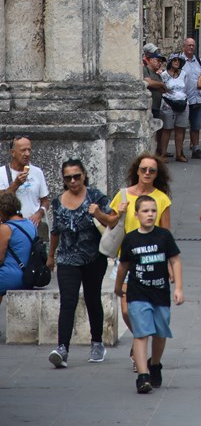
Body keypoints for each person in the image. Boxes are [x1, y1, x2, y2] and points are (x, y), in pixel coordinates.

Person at [47, 158, 117, 368]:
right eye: (68, 178)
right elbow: (55, 231)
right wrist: (51, 256)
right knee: (68, 301)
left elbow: (113, 221)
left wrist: (98, 213)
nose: (73, 181)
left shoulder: (96, 196)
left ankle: (97, 343)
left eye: (76, 176)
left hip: (93, 257)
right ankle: (62, 348)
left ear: (84, 175)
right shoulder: (58, 202)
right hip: (67, 258)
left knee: (92, 298)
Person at [115, 195, 184, 394]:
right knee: (141, 334)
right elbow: (123, 266)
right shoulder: (130, 239)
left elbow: (175, 260)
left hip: (160, 292)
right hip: (138, 293)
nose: (150, 214)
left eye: (153, 211)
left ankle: (155, 364)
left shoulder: (164, 236)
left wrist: (179, 288)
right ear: (136, 214)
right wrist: (118, 287)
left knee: (160, 333)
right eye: (145, 211)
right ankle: (143, 376)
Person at [108, 153, 172, 359]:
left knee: (150, 309)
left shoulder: (162, 199)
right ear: (137, 171)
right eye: (143, 169)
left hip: (152, 261)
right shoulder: (123, 195)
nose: (147, 173)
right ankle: (140, 338)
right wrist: (118, 213)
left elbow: (166, 234)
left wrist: (169, 263)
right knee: (127, 311)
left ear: (156, 174)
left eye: (152, 170)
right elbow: (110, 222)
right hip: (127, 259)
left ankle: (140, 349)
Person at [0, 135, 49, 231]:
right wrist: (16, 184)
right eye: (23, 150)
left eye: (29, 150)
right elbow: (1, 200)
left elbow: (45, 201)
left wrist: (39, 213)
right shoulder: (2, 173)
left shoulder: (37, 172)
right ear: (12, 152)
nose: (27, 154)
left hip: (34, 227)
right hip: (11, 228)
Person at [0, 190, 37, 299]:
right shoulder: (31, 224)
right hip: (30, 277)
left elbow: (0, 258)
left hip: (12, 277)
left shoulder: (6, 228)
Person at [157, 53, 189, 161]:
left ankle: (179, 154)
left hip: (182, 102)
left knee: (180, 129)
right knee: (167, 129)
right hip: (168, 103)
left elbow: (186, 88)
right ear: (170, 62)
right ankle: (163, 154)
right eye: (174, 60)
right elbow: (161, 88)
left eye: (178, 60)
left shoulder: (184, 74)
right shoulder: (164, 75)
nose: (177, 62)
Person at [181, 37, 201, 159]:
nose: (191, 47)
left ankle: (196, 149)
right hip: (184, 99)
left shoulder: (199, 61)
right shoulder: (179, 61)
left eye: (193, 45)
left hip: (198, 98)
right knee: (181, 126)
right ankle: (179, 150)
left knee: (196, 125)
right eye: (189, 45)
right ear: (184, 47)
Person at [142, 43, 167, 121]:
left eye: (161, 62)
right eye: (158, 60)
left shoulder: (158, 75)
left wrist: (158, 85)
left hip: (157, 107)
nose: (160, 63)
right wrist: (161, 84)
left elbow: (164, 90)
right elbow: (149, 83)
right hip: (149, 106)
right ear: (151, 60)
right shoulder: (145, 69)